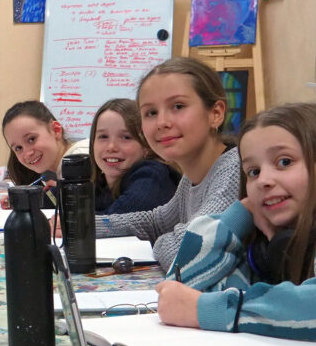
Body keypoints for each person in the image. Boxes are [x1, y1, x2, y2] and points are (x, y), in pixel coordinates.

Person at [156, 103, 316, 341]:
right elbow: (178, 290)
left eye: (284, 162)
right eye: (253, 171)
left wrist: (211, 310)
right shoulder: (265, 247)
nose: (264, 180)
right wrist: (237, 217)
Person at [94, 57, 240, 269]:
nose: (162, 122)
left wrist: (163, 240)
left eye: (178, 106)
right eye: (151, 113)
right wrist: (83, 227)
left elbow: (185, 253)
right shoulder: (192, 176)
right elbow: (156, 222)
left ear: (215, 113)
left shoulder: (234, 171)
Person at [89, 98, 179, 215]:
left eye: (125, 137)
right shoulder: (97, 182)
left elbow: (115, 222)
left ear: (146, 146)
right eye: (103, 137)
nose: (111, 147)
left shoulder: (152, 176)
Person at [2, 100, 89, 186]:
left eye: (31, 139)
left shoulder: (81, 158)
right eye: (18, 148)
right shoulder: (50, 174)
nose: (27, 154)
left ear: (56, 130)